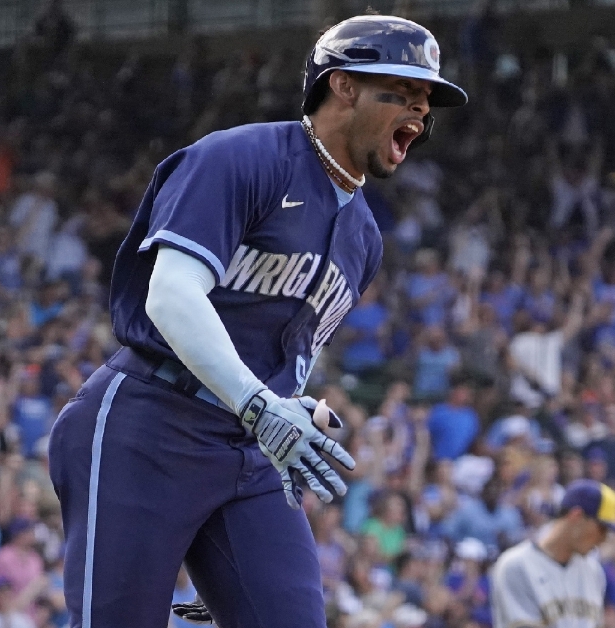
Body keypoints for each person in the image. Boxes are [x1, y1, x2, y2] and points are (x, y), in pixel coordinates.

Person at [47, 14, 466, 628]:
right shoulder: (241, 157)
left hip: (249, 447)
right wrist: (260, 405)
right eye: (402, 94)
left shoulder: (365, 237)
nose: (421, 112)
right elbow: (170, 294)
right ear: (342, 86)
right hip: (147, 422)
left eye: (426, 101)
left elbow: (287, 353)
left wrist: (293, 404)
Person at [490, 479, 615, 627]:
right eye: (602, 529)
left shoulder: (594, 571)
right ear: (576, 516)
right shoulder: (515, 566)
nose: (603, 539)